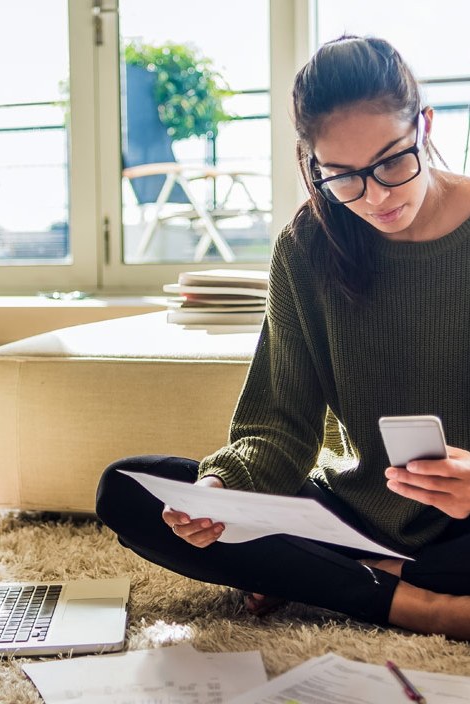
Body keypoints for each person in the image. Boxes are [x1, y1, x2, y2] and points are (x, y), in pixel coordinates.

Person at [96, 35, 470, 639]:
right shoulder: (307, 247)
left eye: (392, 162)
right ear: (311, 164)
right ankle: (418, 602)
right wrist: (222, 491)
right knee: (127, 490)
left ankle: (346, 579)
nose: (374, 196)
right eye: (342, 177)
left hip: (463, 528)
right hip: (353, 512)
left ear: (424, 126)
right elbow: (280, 423)